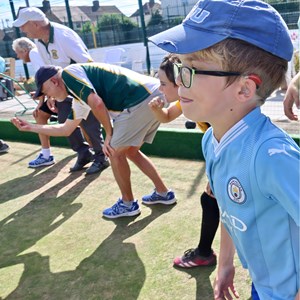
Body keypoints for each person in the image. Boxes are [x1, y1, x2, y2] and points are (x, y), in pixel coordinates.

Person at [149, 0, 299, 299]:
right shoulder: (211, 140)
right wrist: (226, 263)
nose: (178, 80)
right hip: (263, 283)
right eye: (179, 66)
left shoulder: (273, 157)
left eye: (192, 69)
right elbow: (231, 208)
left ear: (244, 89)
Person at [11, 62, 176, 218]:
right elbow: (65, 129)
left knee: (113, 151)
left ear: (54, 81)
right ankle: (163, 193)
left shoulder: (68, 74)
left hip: (141, 99)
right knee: (131, 151)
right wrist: (31, 127)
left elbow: (97, 104)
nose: (48, 97)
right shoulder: (79, 95)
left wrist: (109, 134)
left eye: (46, 91)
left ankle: (128, 204)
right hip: (151, 96)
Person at [13, 7, 107, 174]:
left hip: (80, 85)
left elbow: (87, 62)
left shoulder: (64, 36)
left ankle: (101, 157)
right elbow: (48, 69)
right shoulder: (39, 41)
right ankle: (83, 153)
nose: (21, 30)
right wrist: (50, 94)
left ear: (35, 24)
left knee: (90, 123)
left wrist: (87, 92)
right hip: (62, 88)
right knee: (63, 119)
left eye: (23, 25)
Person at [149, 54, 218, 268]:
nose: (160, 89)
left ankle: (207, 254)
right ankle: (205, 252)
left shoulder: (207, 103)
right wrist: (157, 110)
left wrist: (215, 174)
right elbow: (167, 117)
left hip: (233, 151)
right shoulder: (188, 98)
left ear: (179, 82)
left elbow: (225, 136)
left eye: (163, 84)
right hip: (223, 150)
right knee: (211, 201)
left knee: (215, 201)